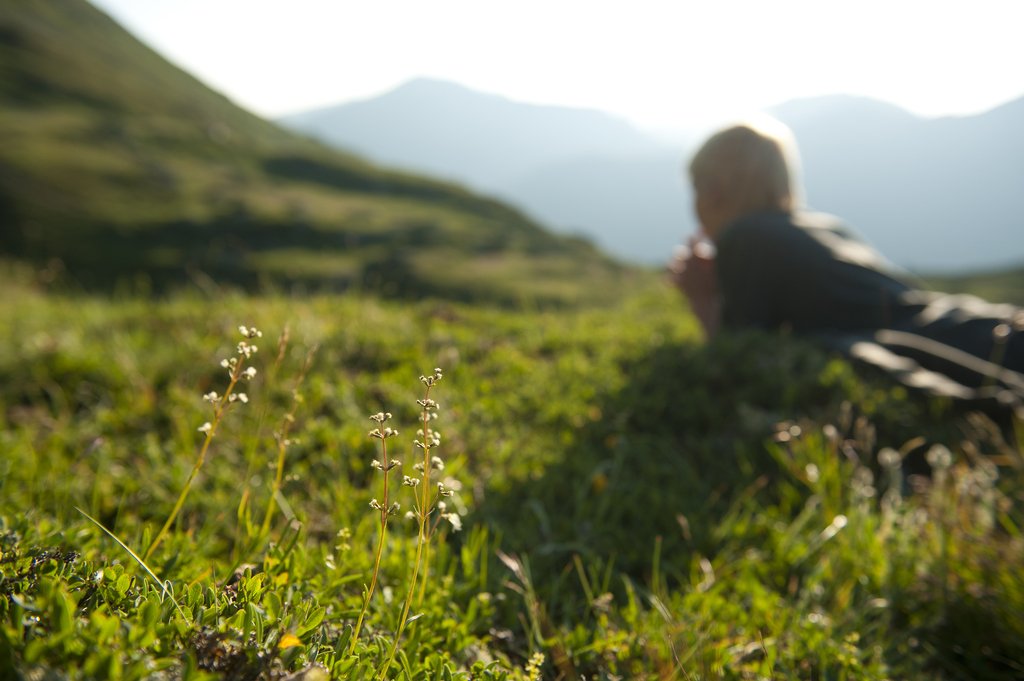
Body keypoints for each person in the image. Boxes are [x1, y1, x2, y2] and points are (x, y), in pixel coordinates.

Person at [669, 118, 1024, 413]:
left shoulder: (743, 235)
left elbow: (740, 356)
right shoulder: (820, 224)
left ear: (713, 190)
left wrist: (702, 299)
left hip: (941, 350)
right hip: (968, 325)